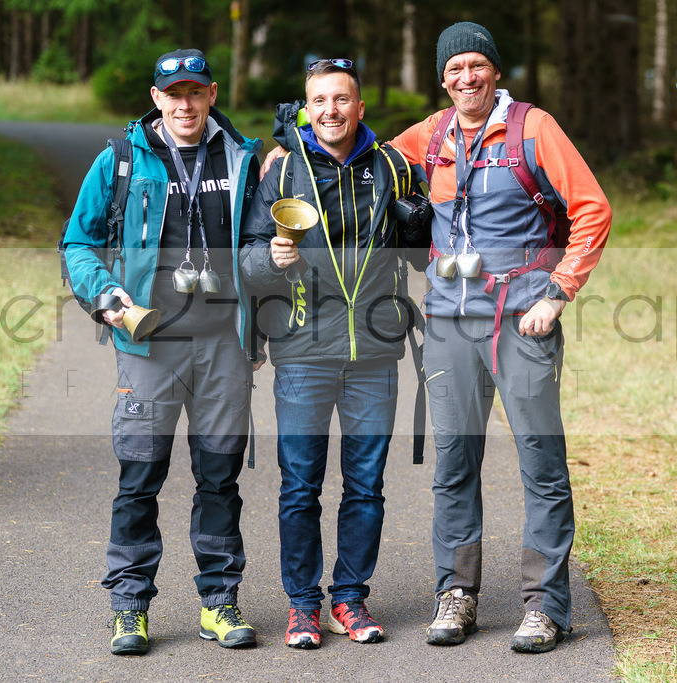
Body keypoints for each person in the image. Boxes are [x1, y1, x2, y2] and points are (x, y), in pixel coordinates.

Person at [386, 22, 612, 653]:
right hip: (449, 322)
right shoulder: (431, 135)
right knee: (454, 463)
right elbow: (363, 162)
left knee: (540, 462)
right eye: (455, 69)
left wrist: (558, 291)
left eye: (477, 65)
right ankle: (456, 595)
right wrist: (286, 153)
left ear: (495, 70)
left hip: (520, 317)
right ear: (442, 79)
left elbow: (592, 208)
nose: (467, 78)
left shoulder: (534, 129)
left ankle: (545, 606)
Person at [61, 48, 263, 656]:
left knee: (220, 479)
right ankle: (129, 607)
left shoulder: (242, 159)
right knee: (140, 477)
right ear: (156, 98)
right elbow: (77, 243)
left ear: (212, 94)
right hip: (148, 344)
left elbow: (258, 246)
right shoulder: (121, 159)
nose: (185, 104)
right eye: (173, 94)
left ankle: (219, 602)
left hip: (223, 345)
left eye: (196, 92)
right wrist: (106, 297)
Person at [240, 59, 417, 649]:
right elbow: (247, 259)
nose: (331, 110)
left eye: (341, 99)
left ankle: (350, 598)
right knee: (300, 486)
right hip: (302, 350)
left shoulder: (393, 167)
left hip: (374, 351)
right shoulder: (284, 169)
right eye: (319, 101)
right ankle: (302, 605)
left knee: (366, 486)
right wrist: (270, 260)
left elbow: (420, 246)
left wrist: (419, 228)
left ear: (359, 107)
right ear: (306, 110)